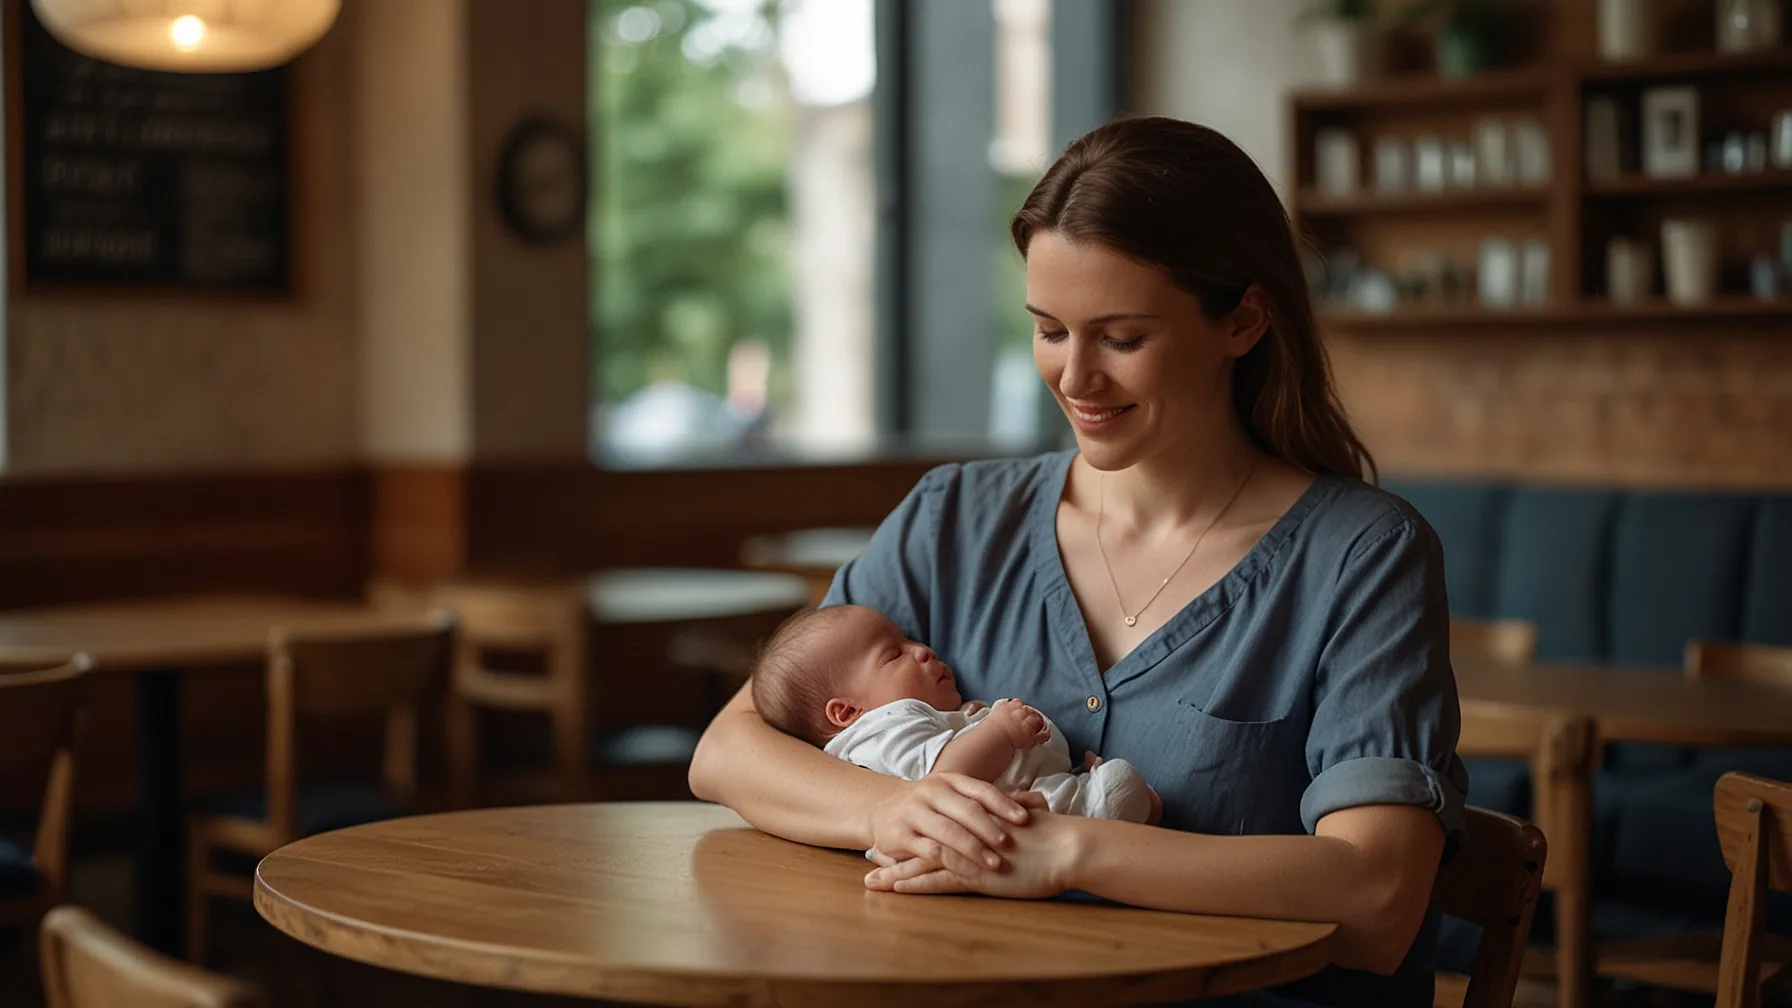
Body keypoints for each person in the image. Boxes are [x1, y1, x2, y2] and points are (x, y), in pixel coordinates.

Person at [690, 115, 1466, 1008]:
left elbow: (1376, 900)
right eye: (1050, 330)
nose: (1074, 378)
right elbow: (728, 749)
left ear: (1243, 320)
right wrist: (889, 809)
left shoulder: (1365, 556)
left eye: (1122, 338)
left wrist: (1063, 850)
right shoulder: (954, 519)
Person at [751, 604, 1160, 824]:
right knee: (1120, 786)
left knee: (1115, 792)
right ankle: (1108, 805)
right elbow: (942, 778)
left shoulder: (910, 721)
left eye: (909, 639)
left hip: (1033, 798)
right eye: (894, 654)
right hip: (1007, 818)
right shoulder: (880, 730)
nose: (921, 649)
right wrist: (998, 731)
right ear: (847, 712)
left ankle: (1104, 802)